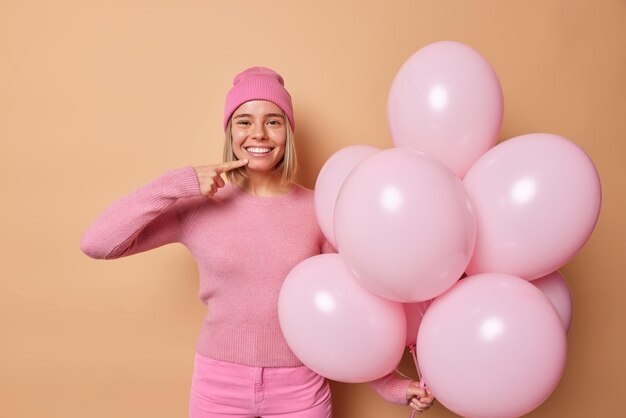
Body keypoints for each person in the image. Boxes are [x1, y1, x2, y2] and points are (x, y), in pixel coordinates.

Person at [80, 66, 434, 417]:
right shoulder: (196, 206)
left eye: (273, 121)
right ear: (230, 131)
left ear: (288, 132)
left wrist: (389, 385)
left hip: (300, 388)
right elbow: (98, 243)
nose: (259, 134)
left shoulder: (318, 208)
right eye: (244, 121)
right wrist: (177, 182)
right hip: (218, 388)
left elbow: (350, 307)